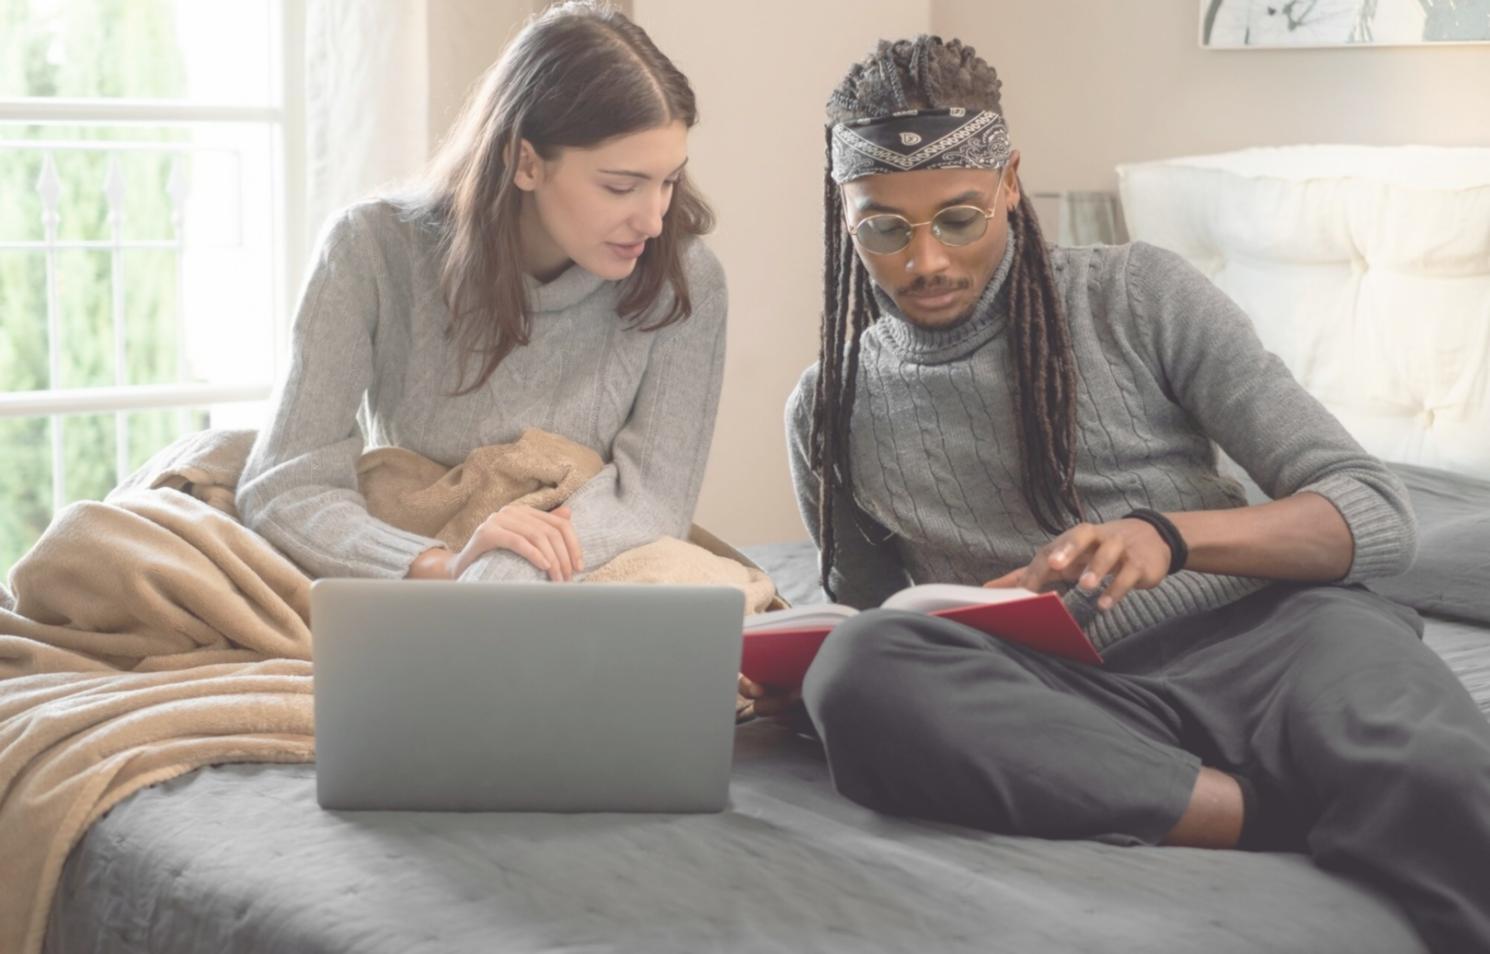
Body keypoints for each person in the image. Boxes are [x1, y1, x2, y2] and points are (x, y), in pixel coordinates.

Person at [776, 34, 1490, 953]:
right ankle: (1263, 814)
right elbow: (882, 623)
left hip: (1283, 642)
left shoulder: (1137, 293)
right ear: (843, 215)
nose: (926, 262)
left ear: (1009, 183)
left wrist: (1171, 537)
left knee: (1441, 780)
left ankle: (1256, 799)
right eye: (884, 228)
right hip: (1069, 695)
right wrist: (789, 681)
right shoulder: (826, 409)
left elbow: (1375, 513)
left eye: (959, 218)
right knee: (856, 673)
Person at [238, 1, 726, 586]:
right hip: (407, 559)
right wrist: (441, 567)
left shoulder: (685, 278)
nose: (653, 219)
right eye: (622, 186)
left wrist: (507, 566)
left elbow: (651, 502)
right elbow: (285, 482)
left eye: (669, 181)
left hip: (575, 565)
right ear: (526, 162)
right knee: (153, 526)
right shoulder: (368, 248)